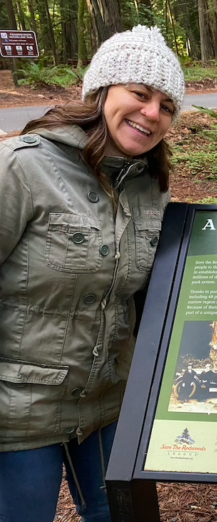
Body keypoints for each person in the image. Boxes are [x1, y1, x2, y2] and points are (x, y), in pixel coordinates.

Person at [0, 26, 185, 522]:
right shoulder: (23, 168)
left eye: (166, 106)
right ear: (102, 91)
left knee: (118, 515)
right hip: (17, 407)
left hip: (107, 403)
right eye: (140, 94)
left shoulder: (152, 187)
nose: (152, 113)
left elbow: (152, 297)